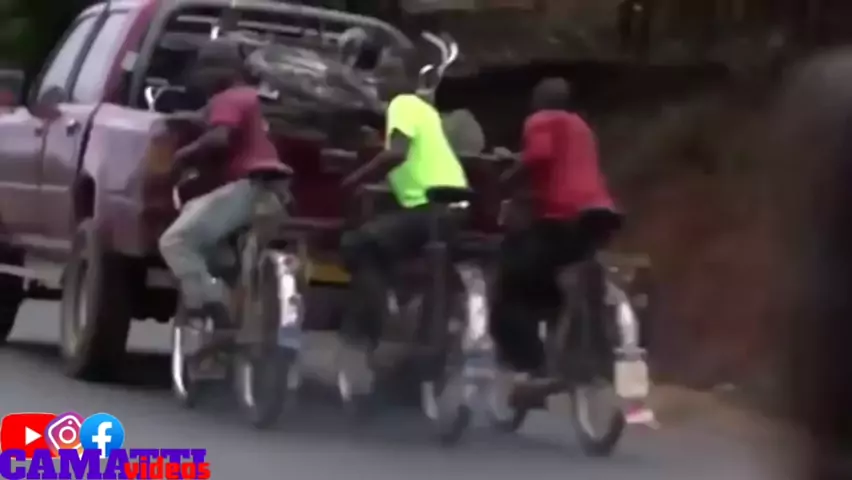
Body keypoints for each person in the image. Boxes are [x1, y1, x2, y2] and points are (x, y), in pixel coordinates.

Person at [337, 55, 469, 365]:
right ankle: (402, 314)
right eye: (379, 74)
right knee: (388, 239)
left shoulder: (403, 104)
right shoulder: (424, 110)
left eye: (389, 74)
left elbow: (396, 154)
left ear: (408, 81)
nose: (380, 80)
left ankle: (377, 329)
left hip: (432, 208)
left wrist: (355, 180)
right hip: (452, 208)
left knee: (358, 244)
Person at [490, 77, 617, 378]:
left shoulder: (540, 120)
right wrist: (518, 158)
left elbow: (539, 157)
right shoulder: (581, 127)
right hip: (598, 215)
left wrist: (506, 177)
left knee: (510, 283)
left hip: (563, 216)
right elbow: (561, 160)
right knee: (551, 268)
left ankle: (531, 364)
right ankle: (563, 322)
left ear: (539, 101)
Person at [158, 41, 289, 324]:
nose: (200, 78)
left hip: (249, 189)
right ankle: (230, 279)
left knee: (175, 241)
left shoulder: (229, 98)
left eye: (204, 69)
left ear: (222, 71)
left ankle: (213, 299)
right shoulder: (260, 99)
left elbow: (220, 138)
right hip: (278, 194)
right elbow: (210, 119)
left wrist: (183, 156)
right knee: (199, 218)